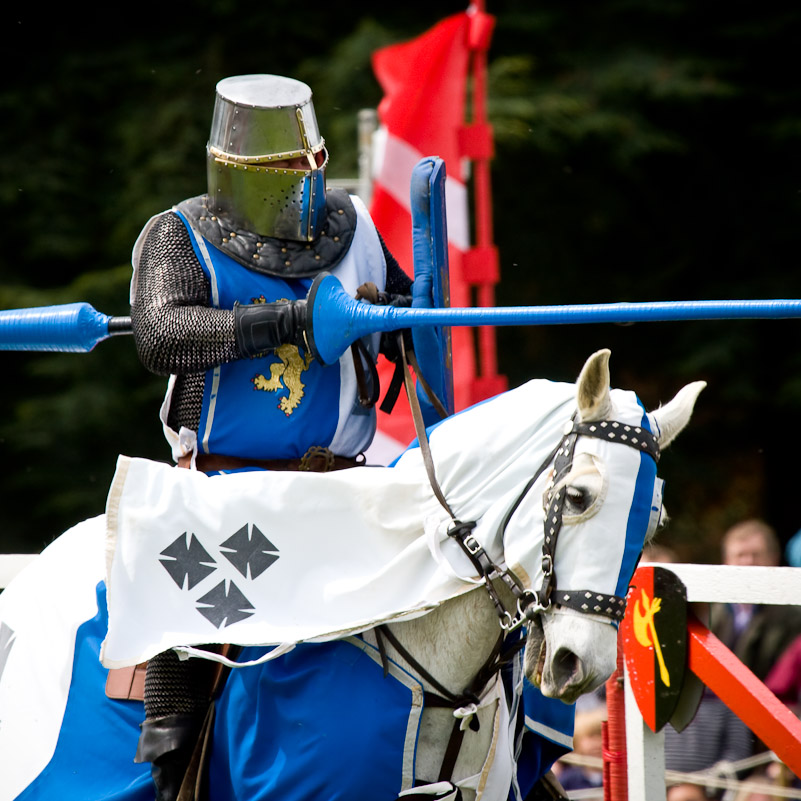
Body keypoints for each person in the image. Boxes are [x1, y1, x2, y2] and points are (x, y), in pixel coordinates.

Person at [127, 73, 431, 801]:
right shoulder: (180, 235)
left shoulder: (353, 225)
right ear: (237, 169)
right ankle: (173, 768)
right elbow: (162, 335)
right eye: (286, 168)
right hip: (234, 490)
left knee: (452, 594)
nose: (305, 179)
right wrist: (290, 321)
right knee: (196, 624)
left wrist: (403, 320)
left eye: (311, 161)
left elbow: (407, 321)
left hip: (349, 486)